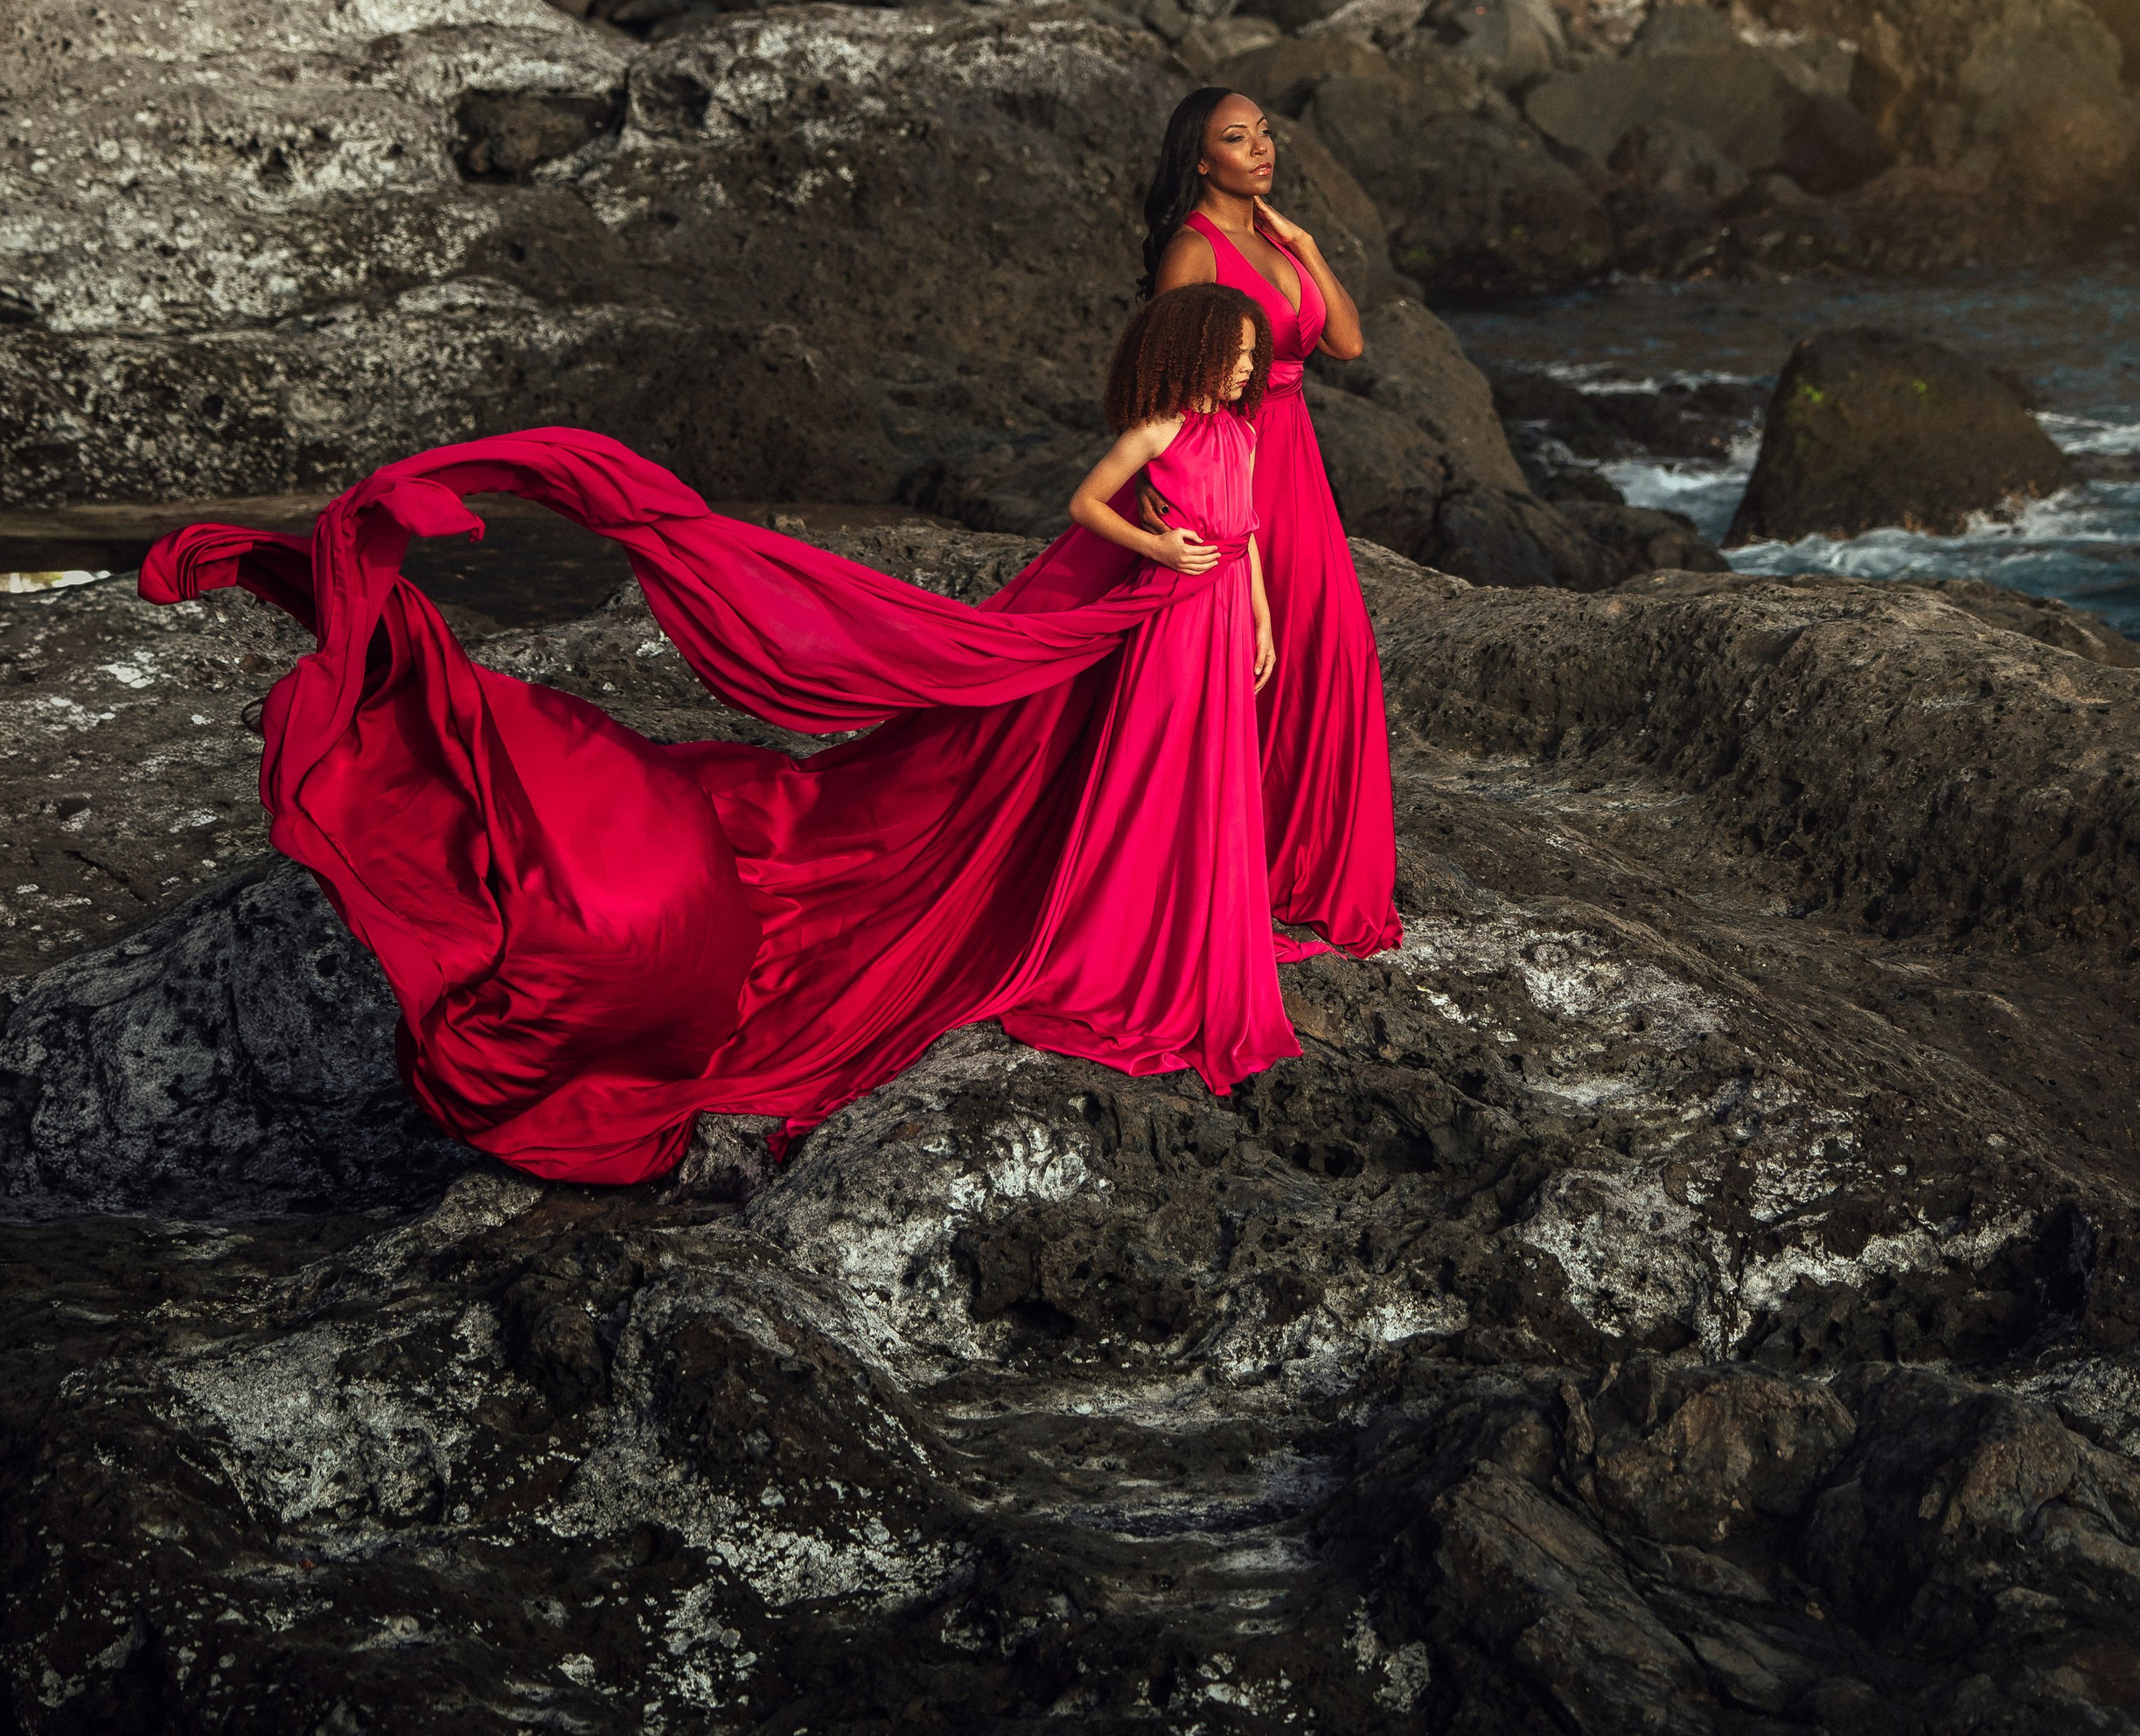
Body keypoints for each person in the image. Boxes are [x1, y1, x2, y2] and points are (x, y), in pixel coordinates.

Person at [140, 284, 1316, 1189]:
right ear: (1187, 356)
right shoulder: (1163, 428)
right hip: (1161, 622)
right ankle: (1127, 919)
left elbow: (1252, 540)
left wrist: (1258, 620)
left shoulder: (1242, 440)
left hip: (1215, 628)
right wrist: (1160, 552)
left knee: (1197, 785)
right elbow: (1088, 509)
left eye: (1256, 363)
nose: (1248, 377)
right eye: (1236, 359)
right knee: (1144, 776)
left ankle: (1183, 915)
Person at [1146, 86, 1401, 956]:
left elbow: (1348, 343)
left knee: (1334, 654)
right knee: (1260, 662)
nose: (1260, 149)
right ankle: (1238, 869)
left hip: (1299, 466)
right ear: (1199, 160)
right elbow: (1166, 398)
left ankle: (1299, 868)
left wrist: (1309, 247)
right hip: (1237, 469)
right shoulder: (1194, 252)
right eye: (1235, 138)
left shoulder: (1271, 241)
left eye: (1263, 133)